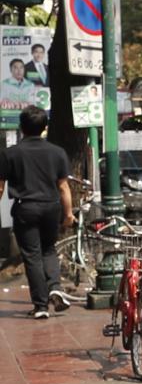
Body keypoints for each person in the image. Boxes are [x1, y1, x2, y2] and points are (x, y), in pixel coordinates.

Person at [0, 106, 74, 318]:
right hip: (51, 206)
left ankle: (41, 307)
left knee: (32, 256)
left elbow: (0, 187)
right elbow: (63, 187)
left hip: (25, 208)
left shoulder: (10, 153)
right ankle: (55, 286)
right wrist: (68, 214)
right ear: (45, 127)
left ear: (21, 127)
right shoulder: (57, 152)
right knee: (49, 249)